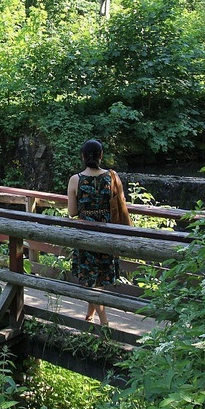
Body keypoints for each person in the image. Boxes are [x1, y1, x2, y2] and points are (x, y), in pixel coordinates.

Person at [67, 139, 126, 326]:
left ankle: (104, 323)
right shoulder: (112, 177)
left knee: (91, 278)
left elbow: (72, 212)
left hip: (86, 232)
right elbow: (121, 203)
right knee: (98, 277)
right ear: (101, 156)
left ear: (83, 156)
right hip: (108, 231)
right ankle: (90, 315)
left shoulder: (76, 179)